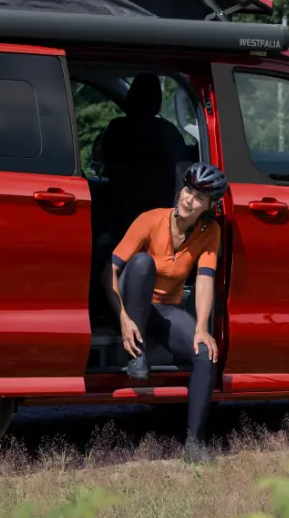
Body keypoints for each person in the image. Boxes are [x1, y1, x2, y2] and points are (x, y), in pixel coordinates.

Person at [110, 162, 228, 460]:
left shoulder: (210, 231)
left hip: (167, 310)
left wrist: (202, 327)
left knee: (204, 352)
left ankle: (195, 443)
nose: (189, 200)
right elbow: (108, 272)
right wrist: (123, 318)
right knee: (141, 264)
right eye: (188, 191)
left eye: (199, 198)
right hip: (132, 303)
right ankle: (136, 354)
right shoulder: (150, 220)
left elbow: (204, 280)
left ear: (209, 205)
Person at [94, 73, 192, 217]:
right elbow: (183, 165)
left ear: (132, 96)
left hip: (121, 207)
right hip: (161, 208)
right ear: (157, 100)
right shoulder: (167, 131)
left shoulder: (117, 128)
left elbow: (105, 161)